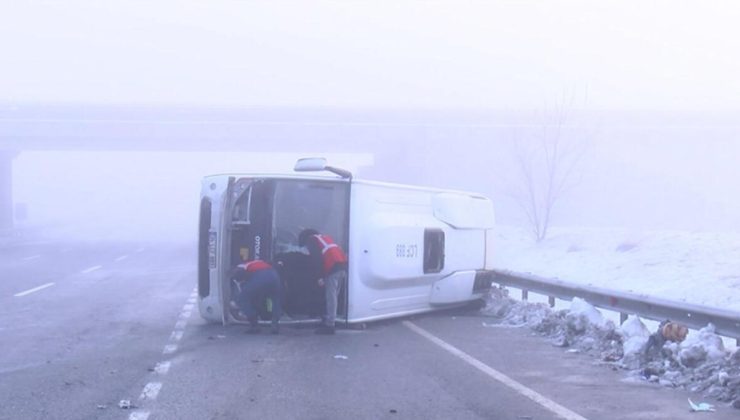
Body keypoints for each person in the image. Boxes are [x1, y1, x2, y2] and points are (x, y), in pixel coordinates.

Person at [299, 228, 348, 335]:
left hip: (333, 268)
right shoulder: (325, 238)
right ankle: (330, 319)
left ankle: (330, 325)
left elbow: (317, 259)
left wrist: (319, 277)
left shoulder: (311, 241)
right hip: (341, 266)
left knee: (331, 297)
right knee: (334, 295)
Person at [231, 259, 283, 334]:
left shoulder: (241, 266)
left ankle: (254, 325)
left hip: (262, 276)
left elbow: (238, 274)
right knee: (275, 299)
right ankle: (275, 325)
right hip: (274, 276)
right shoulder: (259, 262)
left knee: (242, 298)